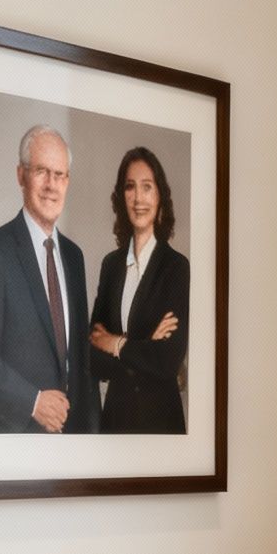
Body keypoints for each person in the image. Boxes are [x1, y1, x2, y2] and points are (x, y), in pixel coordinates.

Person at [0, 124, 97, 434]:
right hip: (16, 440)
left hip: (73, 443)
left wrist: (94, 440)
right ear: (21, 175)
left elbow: (83, 365)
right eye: (41, 172)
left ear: (68, 182)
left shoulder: (75, 257)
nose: (51, 185)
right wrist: (31, 402)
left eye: (59, 175)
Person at [87, 147, 189, 434]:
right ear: (122, 196)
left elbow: (168, 361)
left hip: (161, 424)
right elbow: (93, 356)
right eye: (130, 187)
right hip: (116, 422)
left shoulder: (177, 268)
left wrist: (117, 344)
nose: (138, 197)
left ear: (160, 197)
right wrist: (145, 346)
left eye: (147, 187)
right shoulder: (111, 266)